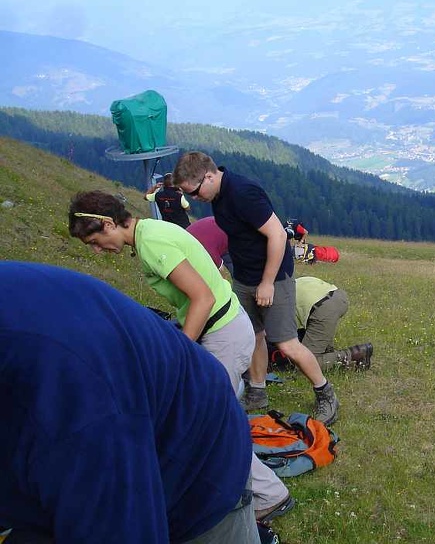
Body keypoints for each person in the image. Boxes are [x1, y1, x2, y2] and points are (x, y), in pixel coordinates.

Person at [67, 191, 292, 524]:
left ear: (110, 223)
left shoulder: (151, 243)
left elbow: (201, 297)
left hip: (224, 335)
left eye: (95, 240)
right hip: (223, 330)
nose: (98, 250)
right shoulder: (151, 232)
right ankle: (245, 488)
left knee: (211, 425)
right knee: (209, 420)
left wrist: (181, 353)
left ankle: (270, 496)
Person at [0, 261, 263, 543]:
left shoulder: (78, 401)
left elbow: (121, 524)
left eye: (95, 239)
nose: (97, 251)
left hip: (197, 462)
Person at [173, 152, 340, 424]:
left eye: (194, 192)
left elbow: (277, 235)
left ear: (209, 176)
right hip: (244, 276)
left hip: (272, 277)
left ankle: (326, 394)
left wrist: (267, 283)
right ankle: (258, 391)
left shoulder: (243, 192)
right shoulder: (217, 195)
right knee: (253, 334)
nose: (194, 199)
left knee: (286, 343)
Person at [184, 217, 373, 373]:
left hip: (322, 307)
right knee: (307, 345)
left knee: (302, 363)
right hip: (333, 294)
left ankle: (353, 355)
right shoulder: (277, 284)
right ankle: (329, 351)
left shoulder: (265, 296)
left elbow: (269, 333)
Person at [295, 276, 373, 372]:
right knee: (318, 343)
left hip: (322, 309)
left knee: (303, 364)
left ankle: (356, 354)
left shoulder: (276, 299)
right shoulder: (291, 283)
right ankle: (328, 352)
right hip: (337, 296)